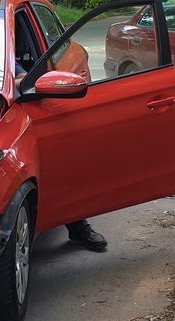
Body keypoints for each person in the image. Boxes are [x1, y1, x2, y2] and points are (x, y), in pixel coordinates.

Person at [13, 56, 108, 252]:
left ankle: (78, 225)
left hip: (24, 116)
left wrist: (12, 84)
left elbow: (22, 77)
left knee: (61, 167)